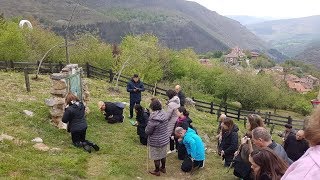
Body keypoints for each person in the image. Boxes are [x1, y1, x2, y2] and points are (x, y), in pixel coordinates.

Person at [281, 106, 320, 180]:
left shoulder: (307, 171)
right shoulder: (291, 137)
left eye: (300, 136)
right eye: (297, 135)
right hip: (287, 157)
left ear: (303, 137)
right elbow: (285, 145)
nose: (298, 137)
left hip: (295, 160)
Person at [233, 114, 265, 180]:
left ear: (253, 124)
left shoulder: (258, 136)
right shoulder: (249, 133)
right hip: (244, 160)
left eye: (248, 122)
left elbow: (253, 153)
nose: (246, 123)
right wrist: (239, 150)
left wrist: (243, 144)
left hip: (250, 164)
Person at [145, 98, 169, 176]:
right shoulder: (164, 114)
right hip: (164, 138)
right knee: (163, 154)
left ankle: (157, 171)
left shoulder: (153, 119)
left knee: (156, 156)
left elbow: (148, 131)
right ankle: (163, 168)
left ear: (153, 108)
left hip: (156, 141)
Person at [165, 89, 180, 154]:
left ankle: (171, 149)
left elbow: (168, 115)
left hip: (172, 120)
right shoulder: (177, 100)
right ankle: (177, 148)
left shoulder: (171, 104)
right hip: (177, 118)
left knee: (170, 134)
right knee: (176, 133)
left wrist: (165, 120)